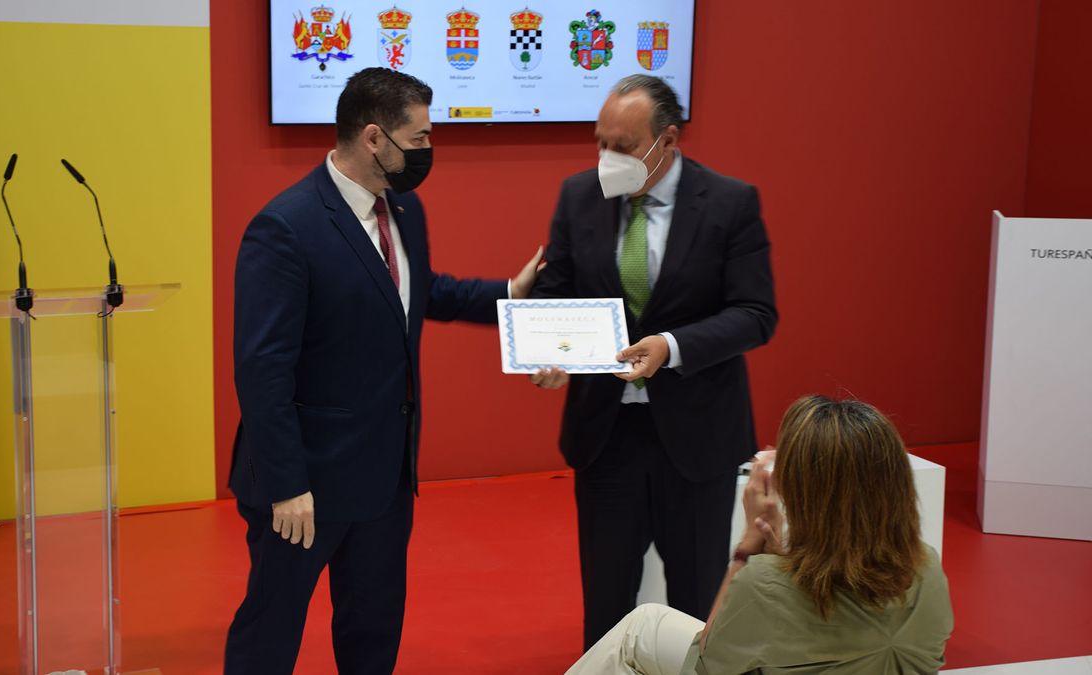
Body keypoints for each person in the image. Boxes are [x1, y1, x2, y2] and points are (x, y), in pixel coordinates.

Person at [224, 67, 544, 675]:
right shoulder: (285, 228)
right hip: (304, 488)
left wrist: (509, 293)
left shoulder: (404, 210)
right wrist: (287, 485)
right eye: (419, 138)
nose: (428, 151)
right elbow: (262, 370)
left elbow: (422, 292)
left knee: (372, 632)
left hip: (385, 478)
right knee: (270, 632)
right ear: (374, 138)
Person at [530, 74, 778, 649]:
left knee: (695, 597)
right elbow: (556, 293)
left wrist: (671, 347)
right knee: (608, 597)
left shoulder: (730, 203)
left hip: (697, 438)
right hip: (606, 434)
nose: (605, 158)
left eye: (621, 145)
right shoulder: (578, 196)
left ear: (667, 140)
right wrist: (548, 349)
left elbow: (756, 313)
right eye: (600, 142)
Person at [567, 395, 955, 674]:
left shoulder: (765, 583)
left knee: (638, 630)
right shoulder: (927, 568)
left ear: (802, 491)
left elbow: (707, 663)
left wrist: (746, 553)